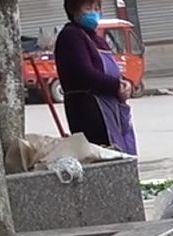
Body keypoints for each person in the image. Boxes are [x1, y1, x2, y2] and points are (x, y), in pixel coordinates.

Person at [52, 0, 136, 155]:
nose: (94, 12)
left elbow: (113, 70)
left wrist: (126, 84)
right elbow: (84, 73)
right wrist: (116, 86)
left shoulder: (98, 39)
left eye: (97, 8)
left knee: (122, 152)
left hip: (113, 107)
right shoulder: (71, 36)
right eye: (88, 8)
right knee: (104, 155)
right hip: (90, 111)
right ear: (74, 10)